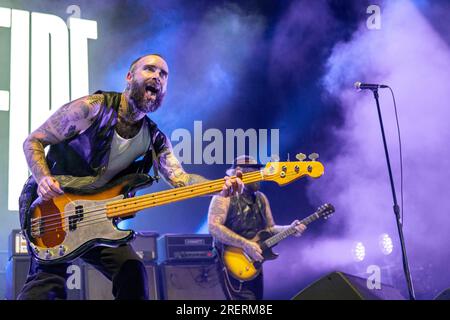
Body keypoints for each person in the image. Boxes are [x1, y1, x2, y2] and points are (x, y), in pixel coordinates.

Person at [17, 54, 244, 300]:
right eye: (150, 69)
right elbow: (34, 141)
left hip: (95, 219)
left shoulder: (155, 140)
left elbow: (181, 179)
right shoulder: (92, 107)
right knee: (48, 282)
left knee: (132, 272)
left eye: (164, 75)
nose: (157, 76)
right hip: (50, 207)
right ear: (129, 77)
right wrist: (43, 179)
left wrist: (220, 187)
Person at [208, 155, 306, 300]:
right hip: (229, 262)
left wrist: (289, 228)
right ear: (239, 172)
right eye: (254, 171)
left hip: (254, 262)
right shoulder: (224, 196)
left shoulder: (261, 198)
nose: (259, 176)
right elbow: (213, 227)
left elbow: (270, 229)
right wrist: (245, 244)